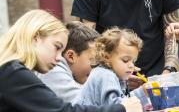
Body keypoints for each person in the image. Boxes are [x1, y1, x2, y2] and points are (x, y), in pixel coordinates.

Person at [0, 9, 142, 112]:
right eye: (56, 47)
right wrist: (122, 108)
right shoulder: (13, 72)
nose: (59, 58)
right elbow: (62, 110)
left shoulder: (12, 72)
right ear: (35, 37)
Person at [73, 27, 150, 110]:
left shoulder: (113, 74)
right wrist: (141, 92)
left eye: (133, 61)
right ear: (106, 57)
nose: (131, 65)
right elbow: (117, 108)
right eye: (125, 60)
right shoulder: (105, 75)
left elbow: (123, 102)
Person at [38, 21, 100, 102]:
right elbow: (84, 104)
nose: (98, 67)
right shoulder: (53, 70)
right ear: (71, 56)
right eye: (93, 60)